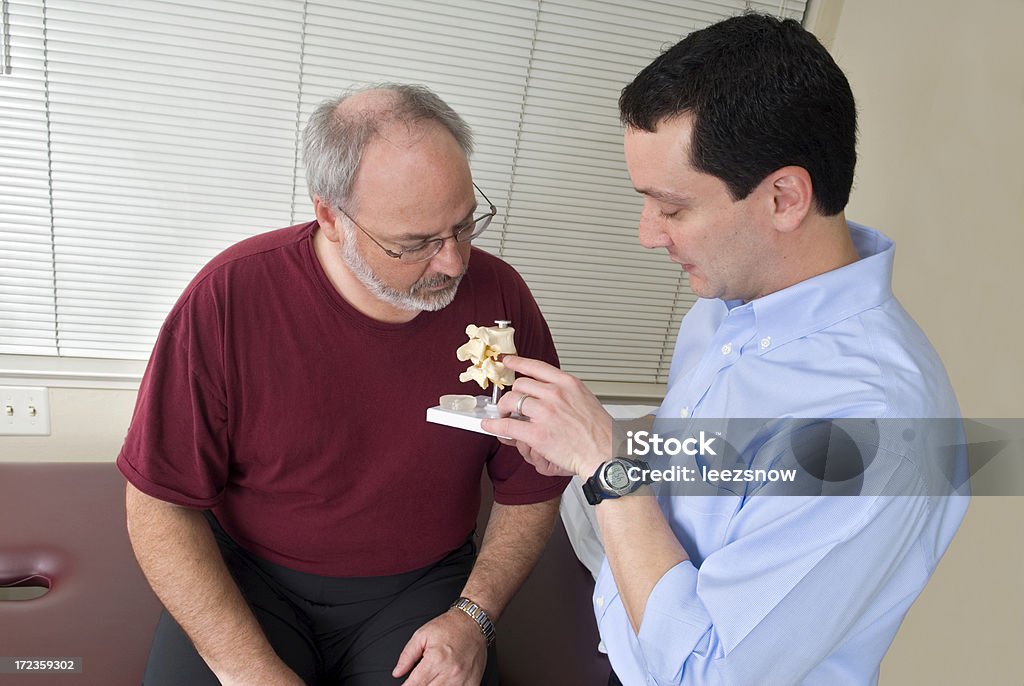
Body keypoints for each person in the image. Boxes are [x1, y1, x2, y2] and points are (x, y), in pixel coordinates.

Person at [483, 14, 969, 686]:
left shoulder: (880, 425)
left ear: (784, 197)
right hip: (603, 597)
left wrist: (604, 468)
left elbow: (703, 671)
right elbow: (730, 457)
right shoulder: (731, 304)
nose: (648, 235)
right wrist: (604, 442)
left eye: (673, 209)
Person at [118, 84, 569, 685]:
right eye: (415, 244)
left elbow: (533, 482)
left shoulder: (501, 295)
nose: (454, 263)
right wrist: (249, 672)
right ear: (331, 217)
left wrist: (474, 615)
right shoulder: (228, 298)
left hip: (422, 585)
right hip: (250, 579)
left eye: (464, 226)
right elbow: (158, 503)